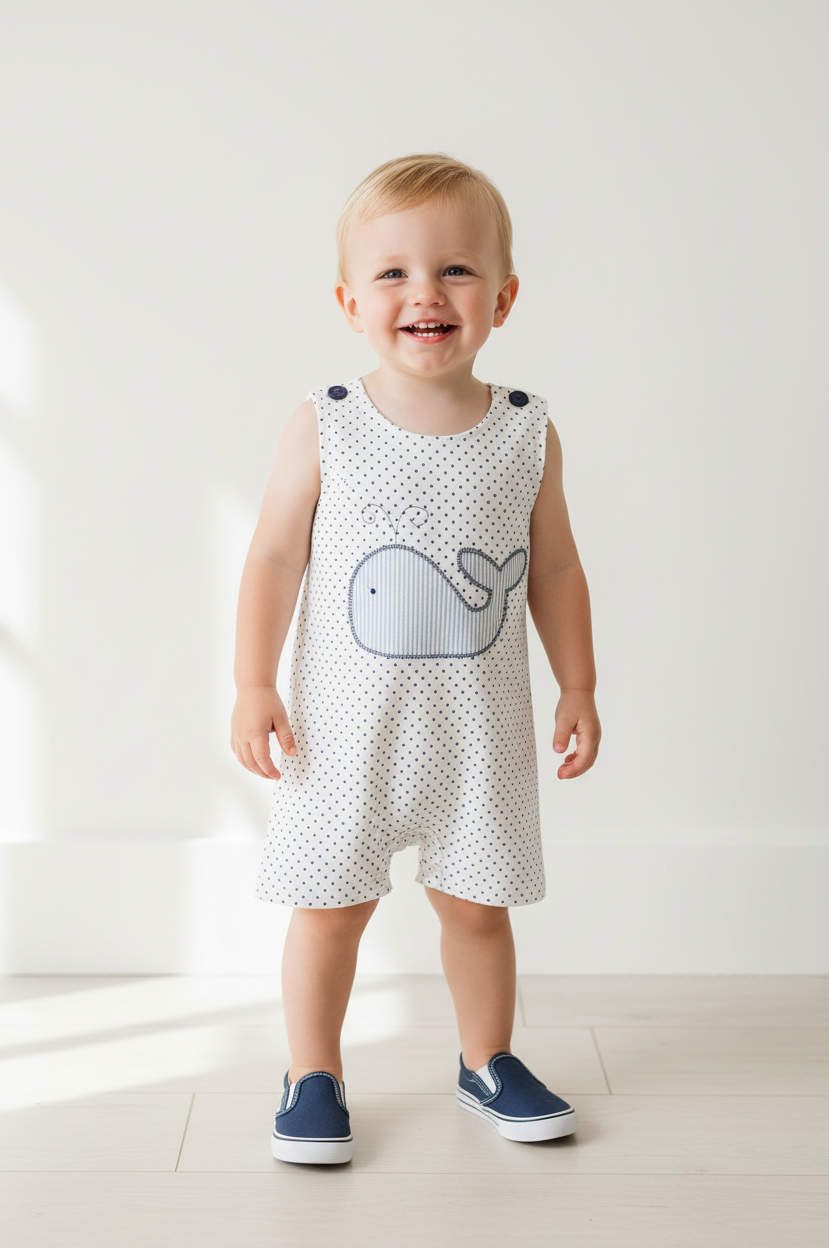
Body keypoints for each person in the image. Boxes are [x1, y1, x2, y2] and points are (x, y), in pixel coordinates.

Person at [230, 153, 602, 1165]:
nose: (424, 294)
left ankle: (487, 1060)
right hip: (343, 734)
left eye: (455, 270)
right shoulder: (326, 425)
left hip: (478, 737)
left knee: (478, 911)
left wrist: (578, 682)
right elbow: (271, 556)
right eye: (392, 273)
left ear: (503, 297)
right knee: (329, 911)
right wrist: (253, 682)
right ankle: (312, 1073)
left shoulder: (525, 432)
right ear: (350, 302)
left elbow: (557, 567)